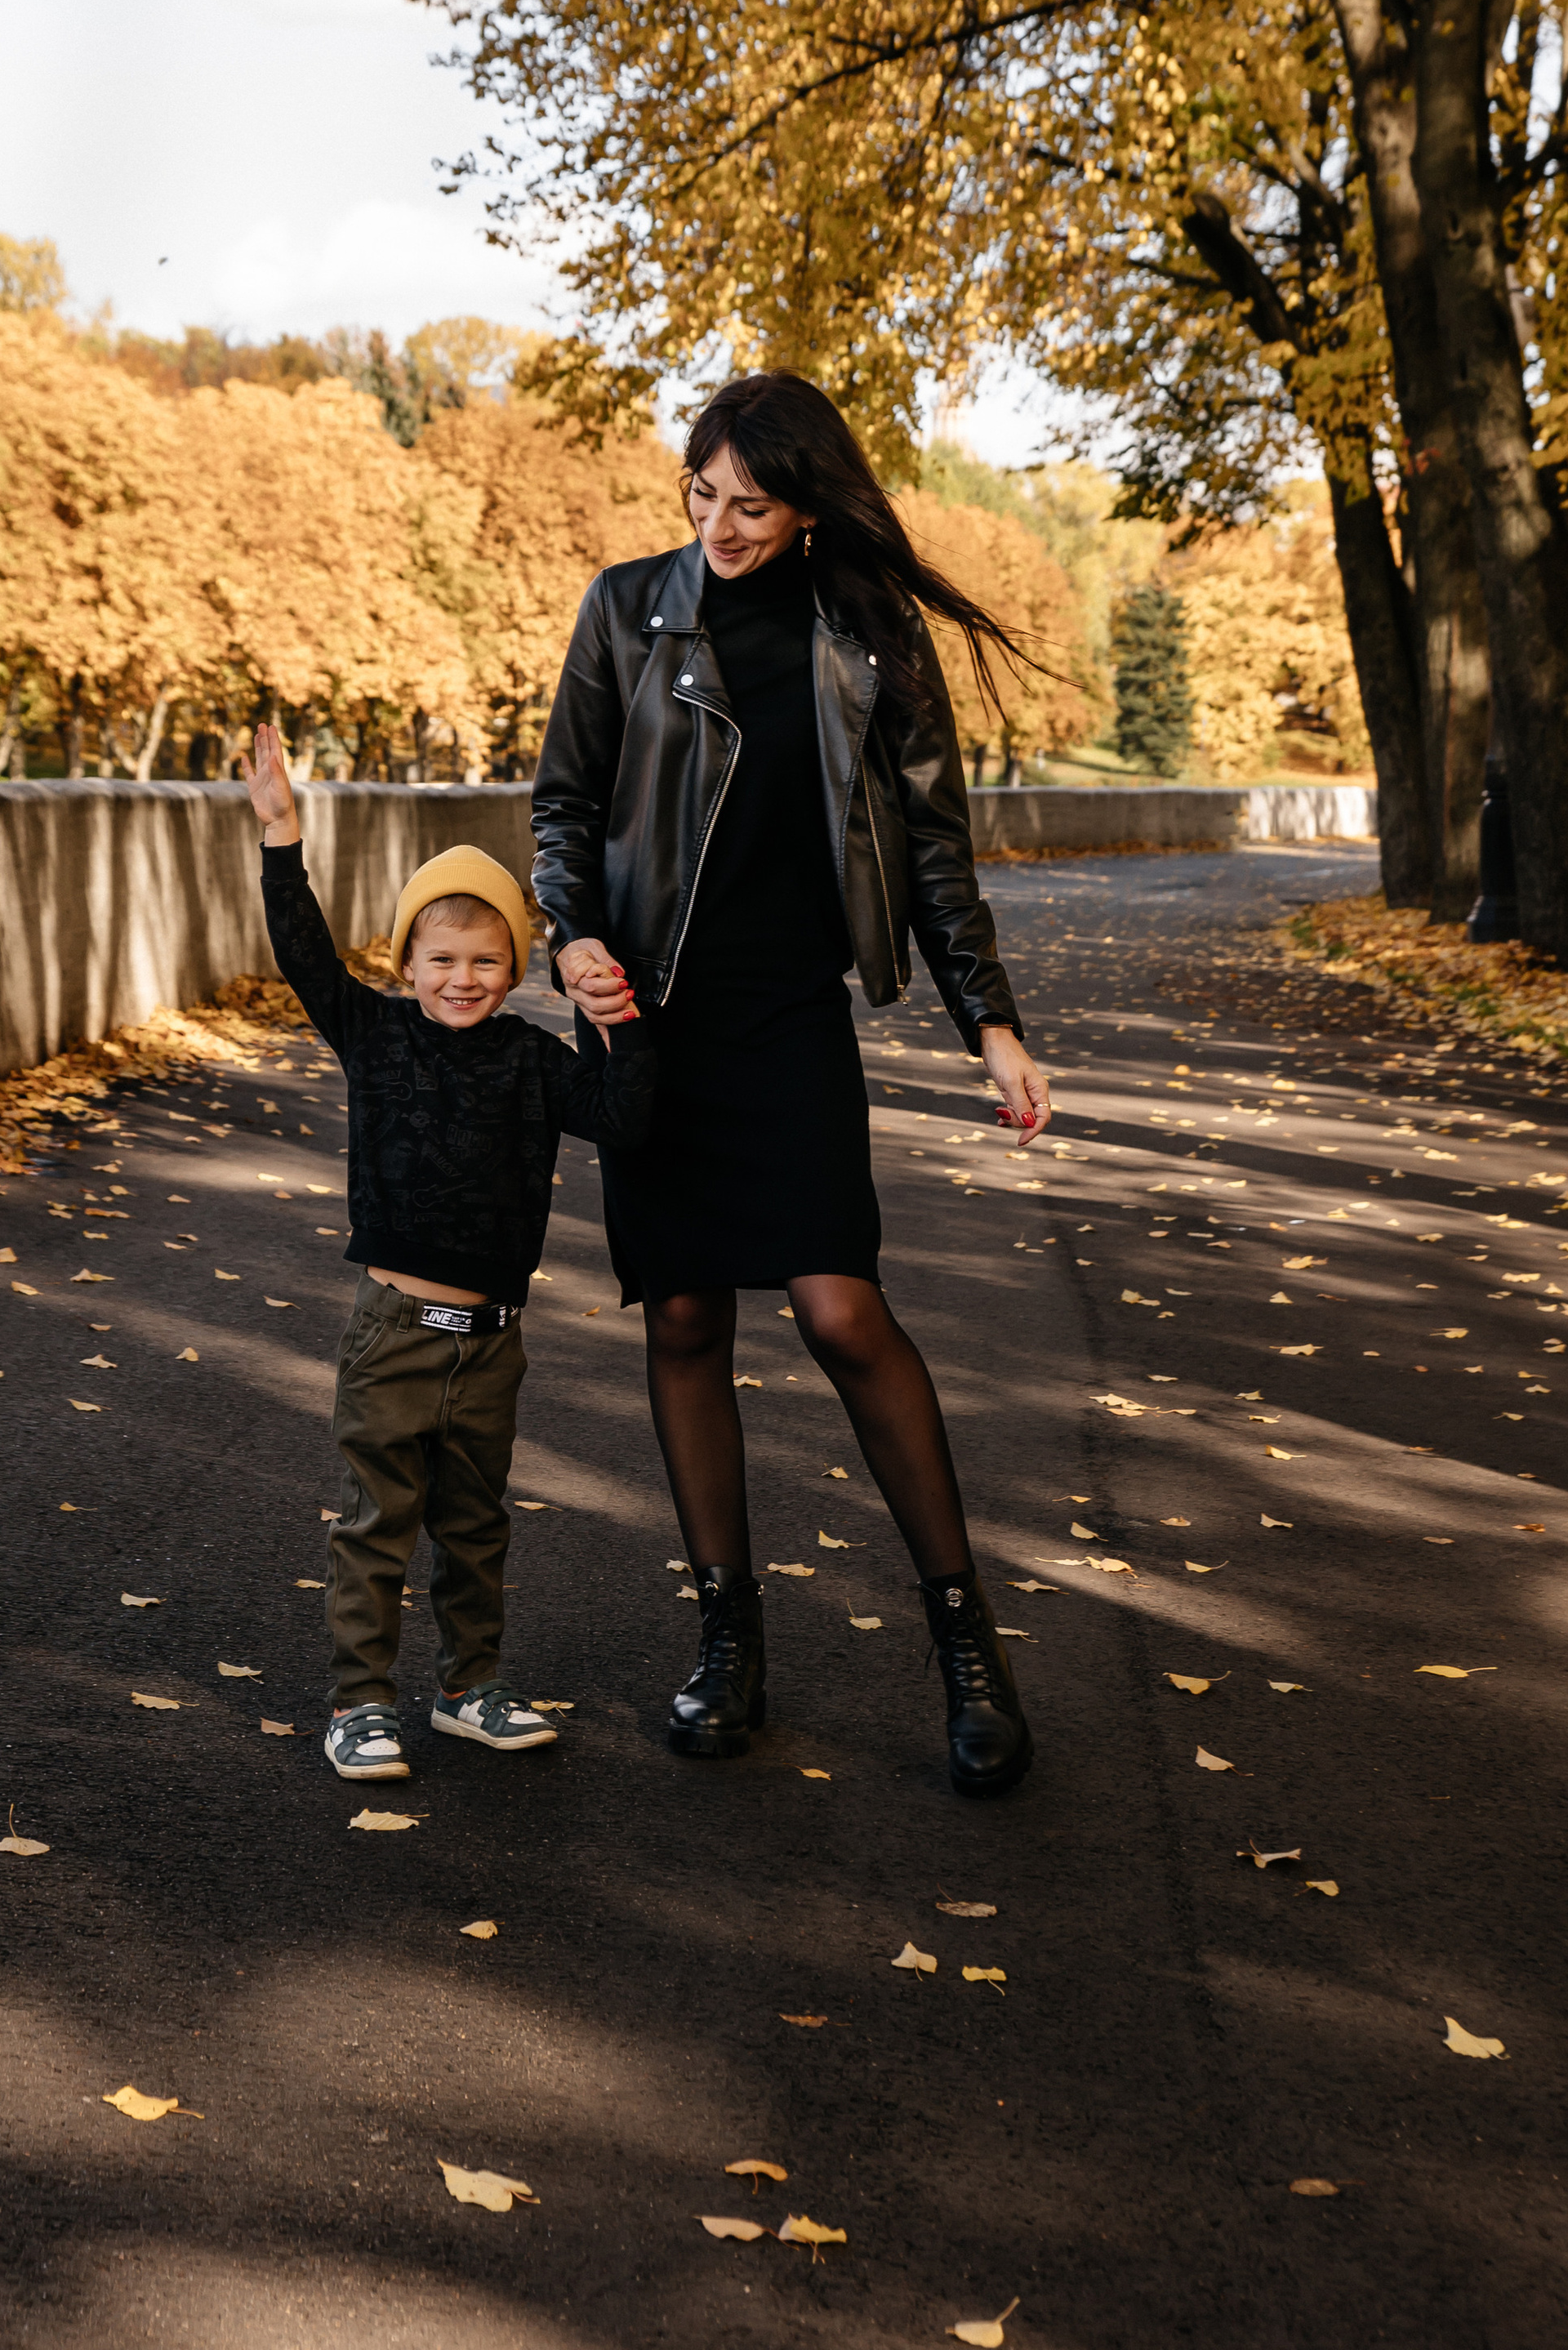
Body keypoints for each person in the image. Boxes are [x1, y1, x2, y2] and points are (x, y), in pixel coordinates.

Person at [532, 373, 1054, 1797]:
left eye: (750, 505)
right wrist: (570, 939)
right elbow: (564, 804)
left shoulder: (869, 632)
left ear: (811, 504)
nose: (718, 526)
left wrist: (989, 1025)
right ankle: (727, 1643)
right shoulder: (627, 610)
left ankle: (965, 1648)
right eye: (701, 496)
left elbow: (934, 847)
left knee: (840, 1307)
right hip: (646, 1018)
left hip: (786, 1018)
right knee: (688, 1313)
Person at [244, 723, 657, 1785]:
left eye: (486, 962)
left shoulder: (531, 1057)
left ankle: (472, 1688)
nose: (462, 979)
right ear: (406, 961)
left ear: (516, 967)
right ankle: (360, 1705)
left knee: (476, 1530)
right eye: (441, 960)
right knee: (380, 1524)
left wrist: (617, 1016)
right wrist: (282, 837)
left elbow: (624, 1116)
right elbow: (302, 954)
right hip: (394, 1334)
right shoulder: (376, 1034)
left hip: (492, 1345)